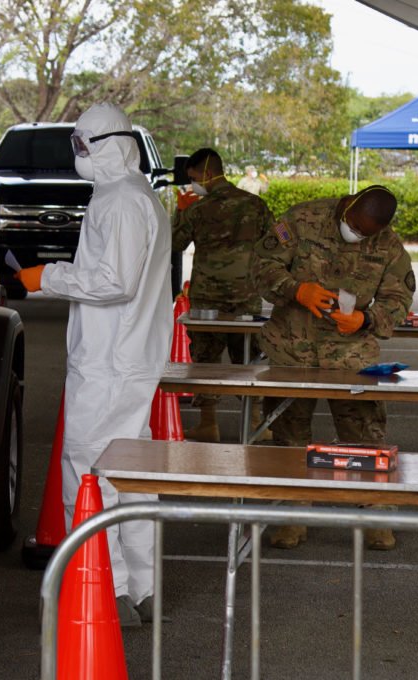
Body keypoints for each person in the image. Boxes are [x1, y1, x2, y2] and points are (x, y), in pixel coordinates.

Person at [14, 102, 172, 627]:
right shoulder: (132, 195)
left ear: (103, 146)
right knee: (130, 476)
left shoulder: (121, 202)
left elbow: (113, 282)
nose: (77, 155)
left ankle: (109, 592)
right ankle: (143, 589)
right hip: (128, 359)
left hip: (108, 364)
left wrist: (46, 277)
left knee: (87, 474)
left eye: (82, 145)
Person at [253, 185, 414, 551]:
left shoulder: (388, 245)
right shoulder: (301, 218)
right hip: (291, 349)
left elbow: (398, 297)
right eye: (353, 226)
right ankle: (292, 516)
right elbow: (262, 265)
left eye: (365, 234)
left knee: (366, 436)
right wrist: (296, 290)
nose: (355, 235)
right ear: (349, 204)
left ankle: (375, 515)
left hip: (351, 356)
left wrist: (365, 319)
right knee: (288, 437)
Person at [172, 148, 275, 443]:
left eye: (193, 178)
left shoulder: (197, 209)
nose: (192, 185)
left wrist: (180, 212)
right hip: (246, 297)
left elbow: (176, 243)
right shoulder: (256, 205)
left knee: (206, 360)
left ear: (205, 173)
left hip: (208, 300)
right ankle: (256, 425)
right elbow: (277, 243)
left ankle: (208, 423)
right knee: (250, 360)